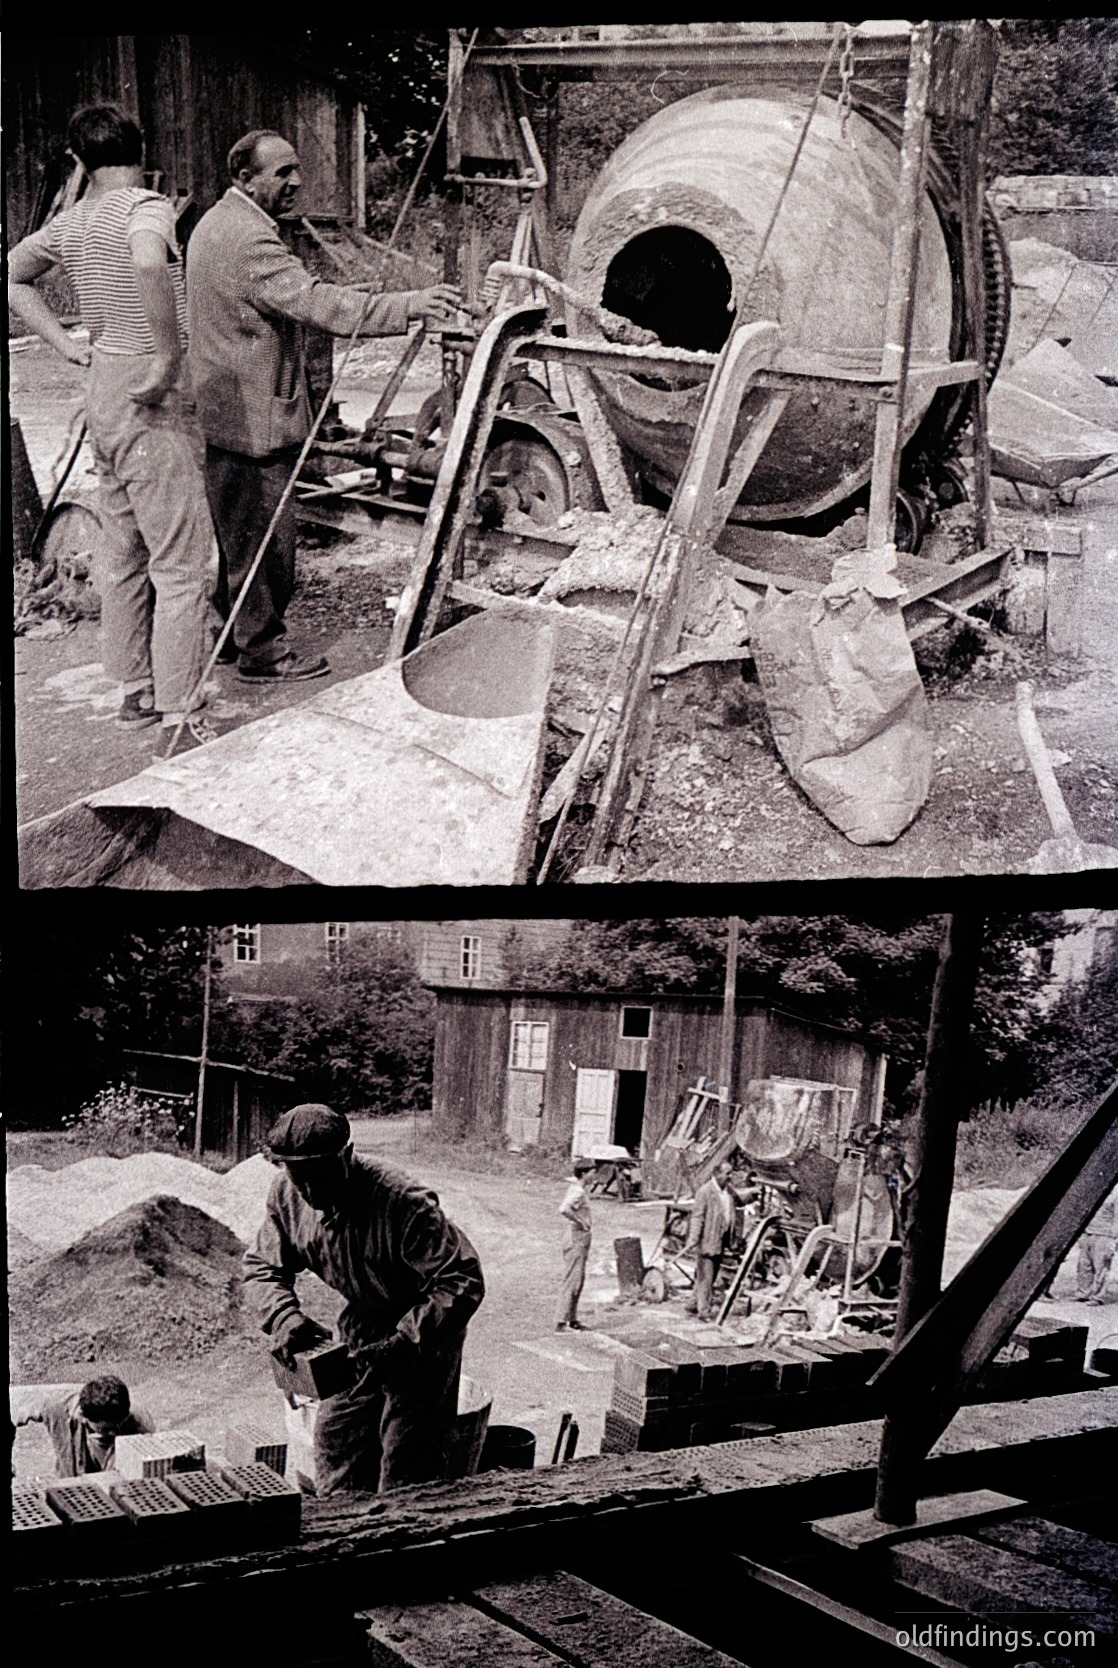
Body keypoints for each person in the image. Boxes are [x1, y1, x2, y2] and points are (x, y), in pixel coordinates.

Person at [186, 130, 463, 681]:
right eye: (280, 173)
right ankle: (262, 653)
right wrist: (410, 303)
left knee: (238, 533)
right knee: (268, 545)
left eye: (295, 170)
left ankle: (229, 635)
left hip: (223, 411)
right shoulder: (250, 241)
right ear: (245, 178)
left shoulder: (211, 224)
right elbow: (318, 303)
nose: (294, 183)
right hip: (256, 417)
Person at [8, 105, 219, 757]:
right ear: (142, 148)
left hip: (102, 381)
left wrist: (64, 345)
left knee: (124, 549)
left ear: (79, 160)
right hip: (146, 391)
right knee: (185, 562)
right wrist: (163, 358)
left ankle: (136, 691)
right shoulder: (144, 207)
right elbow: (152, 263)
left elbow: (12, 274)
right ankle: (180, 714)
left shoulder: (70, 221)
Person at [243, 1103, 484, 1496]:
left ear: (348, 1156)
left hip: (422, 1334)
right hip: (364, 1328)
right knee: (337, 1441)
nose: (311, 1191)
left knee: (406, 1464)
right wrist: (285, 1317)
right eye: (300, 1178)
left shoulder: (400, 1201)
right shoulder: (287, 1195)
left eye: (321, 1175)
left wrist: (404, 1342)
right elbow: (261, 1266)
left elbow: (462, 1278)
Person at [13, 1375, 154, 1477]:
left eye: (118, 1427)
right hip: (69, 1483)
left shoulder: (139, 1422)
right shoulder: (56, 1406)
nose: (112, 1433)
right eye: (105, 1430)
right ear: (82, 1416)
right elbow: (14, 1403)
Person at [685, 1159, 736, 1322]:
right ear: (717, 1174)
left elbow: (740, 1201)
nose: (730, 1177)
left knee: (709, 1276)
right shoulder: (705, 1192)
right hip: (707, 1241)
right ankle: (704, 1311)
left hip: (720, 1240)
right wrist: (693, 1237)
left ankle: (693, 1303)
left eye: (731, 1173)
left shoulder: (728, 1191)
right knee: (706, 1277)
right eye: (727, 1173)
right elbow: (697, 1217)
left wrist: (754, 1193)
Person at [556, 1157, 595, 1332]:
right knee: (572, 1279)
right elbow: (564, 1209)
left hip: (578, 1237)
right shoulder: (578, 1191)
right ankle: (561, 1322)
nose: (595, 1175)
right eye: (592, 1171)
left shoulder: (578, 1189)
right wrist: (581, 1222)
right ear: (584, 1173)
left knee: (578, 1280)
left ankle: (571, 1319)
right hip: (576, 1237)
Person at [1077, 1186, 1117, 1304]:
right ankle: (1083, 1293)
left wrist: (1113, 1239)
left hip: (1104, 1235)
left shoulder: (1115, 1193)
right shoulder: (1095, 1190)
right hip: (1088, 1232)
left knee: (1101, 1267)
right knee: (1084, 1265)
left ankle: (1098, 1297)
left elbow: (1117, 1219)